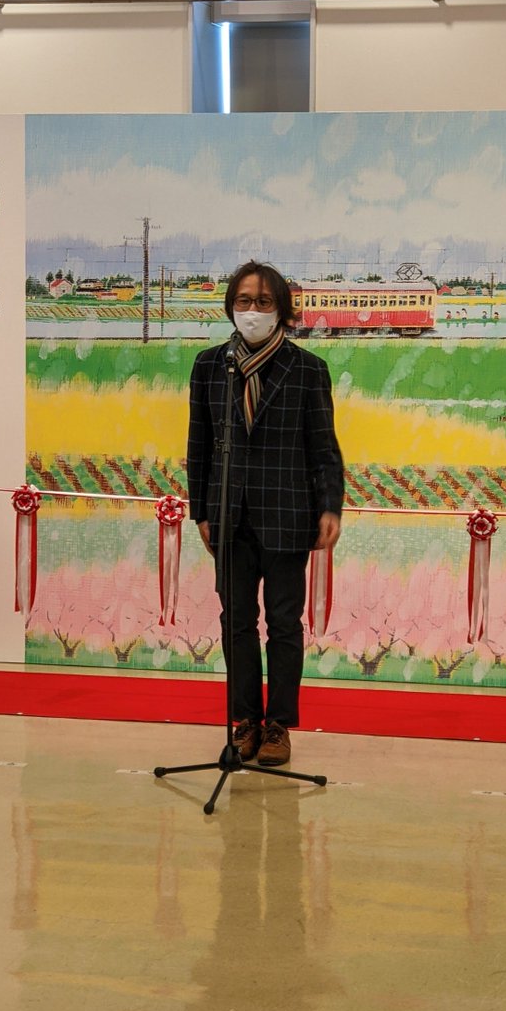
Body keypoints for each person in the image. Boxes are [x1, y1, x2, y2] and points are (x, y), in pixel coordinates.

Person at [186, 261, 344, 767]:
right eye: (244, 300)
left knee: (283, 623)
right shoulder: (210, 366)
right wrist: (200, 511)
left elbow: (324, 449)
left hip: (288, 514)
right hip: (228, 516)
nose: (252, 310)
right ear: (230, 306)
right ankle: (246, 722)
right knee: (236, 623)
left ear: (282, 310)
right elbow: (199, 445)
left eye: (263, 301)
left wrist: (330, 506)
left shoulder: (308, 369)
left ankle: (278, 725)